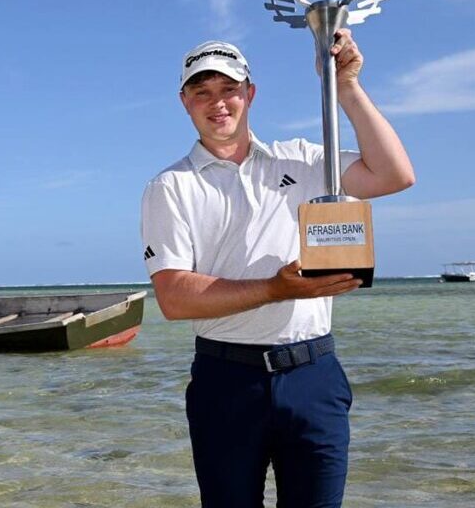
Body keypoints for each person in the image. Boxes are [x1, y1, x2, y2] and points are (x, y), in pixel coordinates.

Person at [141, 35, 414, 507]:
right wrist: (274, 288)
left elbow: (394, 174)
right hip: (225, 379)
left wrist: (346, 86)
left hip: (314, 375)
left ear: (249, 94)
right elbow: (174, 298)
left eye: (228, 89)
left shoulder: (306, 159)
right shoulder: (170, 186)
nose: (217, 103)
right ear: (184, 102)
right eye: (201, 92)